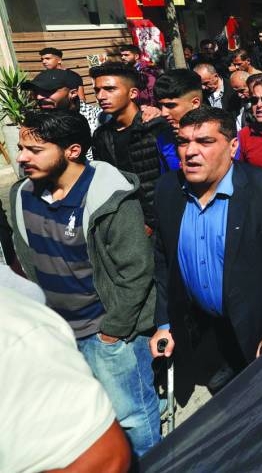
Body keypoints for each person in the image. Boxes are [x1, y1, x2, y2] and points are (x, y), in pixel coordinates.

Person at [10, 110, 160, 456]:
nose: (21, 157)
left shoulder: (110, 197)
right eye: (21, 148)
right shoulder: (22, 194)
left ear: (72, 150)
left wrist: (113, 331)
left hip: (106, 335)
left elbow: (136, 270)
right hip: (60, 335)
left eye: (34, 149)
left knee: (134, 418)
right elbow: (28, 261)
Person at [150, 107, 262, 391]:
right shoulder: (166, 189)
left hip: (259, 331)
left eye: (205, 142)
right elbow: (164, 263)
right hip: (207, 332)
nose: (190, 152)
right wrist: (164, 322)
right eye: (184, 142)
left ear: (233, 146)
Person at [0, 283, 131, 472]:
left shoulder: (13, 336)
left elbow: (106, 457)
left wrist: (115, 328)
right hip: (78, 328)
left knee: (134, 416)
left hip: (102, 329)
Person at [91, 62, 179, 230]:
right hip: (126, 224)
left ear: (133, 93)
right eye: (97, 90)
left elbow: (174, 178)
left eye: (110, 89)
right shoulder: (101, 136)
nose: (101, 96)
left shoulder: (156, 127)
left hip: (165, 221)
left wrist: (153, 221)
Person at [21, 68, 102, 138]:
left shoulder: (98, 120)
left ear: (73, 93)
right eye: (36, 91)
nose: (39, 97)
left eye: (47, 91)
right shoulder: (36, 124)